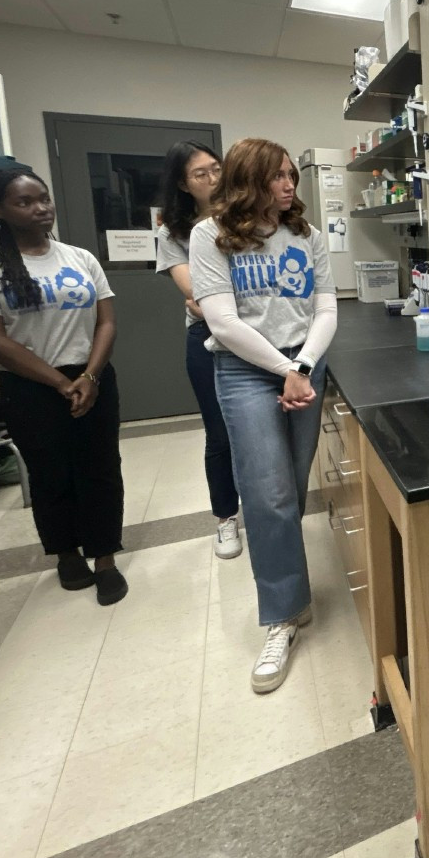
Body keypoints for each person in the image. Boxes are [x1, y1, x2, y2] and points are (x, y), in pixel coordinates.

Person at [189, 138, 337, 693]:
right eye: (278, 177)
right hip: (246, 370)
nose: (289, 187)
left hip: (305, 363)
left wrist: (302, 365)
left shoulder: (308, 236)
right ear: (250, 180)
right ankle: (280, 615)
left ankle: (291, 592)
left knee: (292, 487)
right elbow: (222, 322)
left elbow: (326, 307)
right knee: (267, 492)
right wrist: (284, 370)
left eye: (292, 177)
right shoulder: (211, 237)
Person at [0, 168, 128, 606]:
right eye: (25, 202)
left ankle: (105, 557)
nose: (41, 208)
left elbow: (106, 320)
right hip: (30, 385)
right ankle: (66, 553)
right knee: (51, 473)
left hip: (92, 376)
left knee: (101, 469)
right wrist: (58, 382)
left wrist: (89, 377)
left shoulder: (79, 257)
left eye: (44, 198)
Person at [155, 141, 241, 559]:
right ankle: (226, 518)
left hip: (260, 334)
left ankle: (264, 511)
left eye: (216, 168)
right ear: (184, 185)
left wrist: (221, 297)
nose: (213, 178)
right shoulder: (173, 233)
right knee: (220, 433)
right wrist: (218, 298)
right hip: (207, 340)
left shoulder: (244, 215)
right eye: (200, 174)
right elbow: (196, 296)